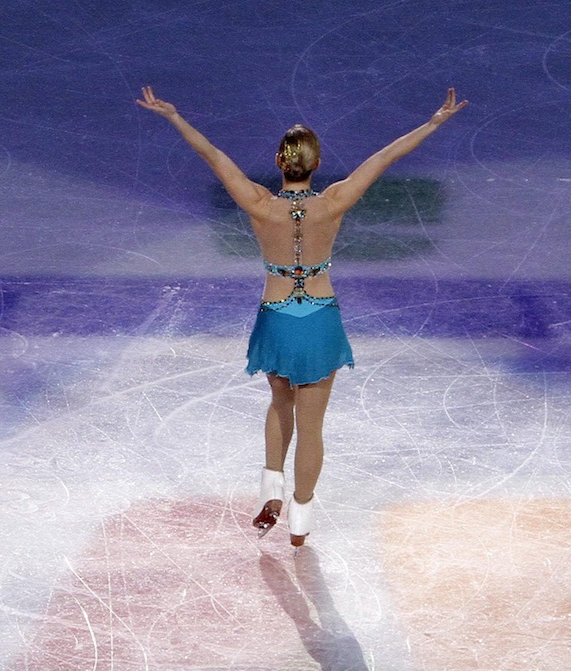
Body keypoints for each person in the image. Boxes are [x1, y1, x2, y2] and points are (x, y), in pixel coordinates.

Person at [136, 86, 467, 544]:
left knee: (279, 403)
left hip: (275, 317)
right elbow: (384, 158)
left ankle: (271, 485)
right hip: (320, 320)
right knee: (313, 426)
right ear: (315, 164)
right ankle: (300, 521)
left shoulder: (259, 203)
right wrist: (433, 124)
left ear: (279, 163)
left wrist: (173, 116)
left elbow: (211, 154)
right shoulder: (333, 202)